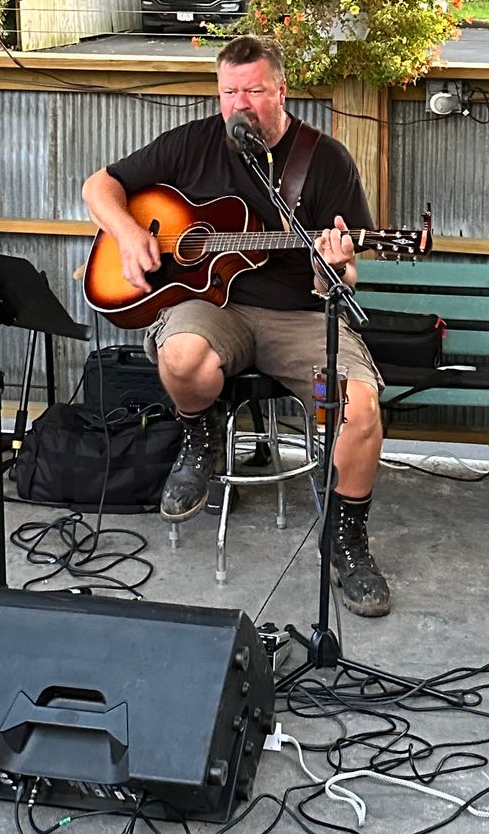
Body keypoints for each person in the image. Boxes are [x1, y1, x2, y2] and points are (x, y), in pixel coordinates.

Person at [82, 35, 390, 617]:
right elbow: (99, 186)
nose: (239, 104)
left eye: (253, 91)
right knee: (181, 356)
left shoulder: (325, 160)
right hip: (211, 306)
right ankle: (200, 435)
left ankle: (347, 540)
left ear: (282, 90)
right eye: (229, 92)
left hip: (297, 313)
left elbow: (346, 275)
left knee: (361, 408)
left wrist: (334, 266)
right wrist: (128, 232)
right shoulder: (192, 143)